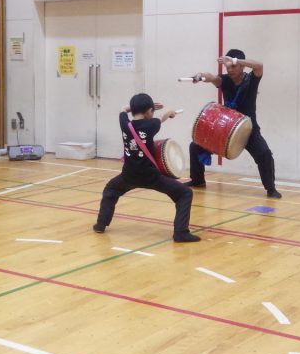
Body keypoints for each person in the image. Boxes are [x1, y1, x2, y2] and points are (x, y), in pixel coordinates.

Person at [93, 93, 201, 243]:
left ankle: (101, 224)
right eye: (152, 111)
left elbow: (123, 109)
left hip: (128, 176)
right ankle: (181, 232)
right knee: (185, 194)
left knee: (110, 191)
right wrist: (169, 112)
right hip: (151, 177)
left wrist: (140, 107)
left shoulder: (125, 123)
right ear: (149, 111)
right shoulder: (152, 125)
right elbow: (162, 118)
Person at [189, 49, 280, 198]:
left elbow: (259, 66)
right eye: (228, 67)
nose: (230, 70)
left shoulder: (251, 80)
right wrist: (200, 76)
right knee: (195, 146)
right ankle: (198, 181)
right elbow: (211, 77)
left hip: (248, 129)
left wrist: (235, 60)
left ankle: (271, 188)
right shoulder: (224, 80)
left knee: (264, 153)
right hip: (226, 129)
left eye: (233, 66)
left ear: (242, 66)